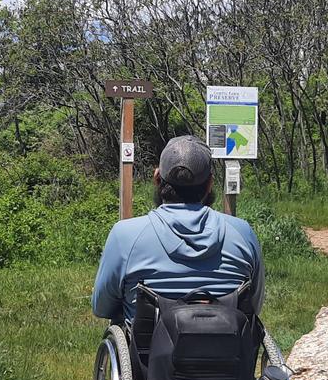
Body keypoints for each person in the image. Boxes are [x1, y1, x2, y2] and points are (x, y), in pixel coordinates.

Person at [91, 135, 265, 323]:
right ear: (209, 184)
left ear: (157, 179)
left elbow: (102, 307)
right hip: (230, 349)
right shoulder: (242, 232)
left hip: (149, 351)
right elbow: (254, 304)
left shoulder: (125, 235)